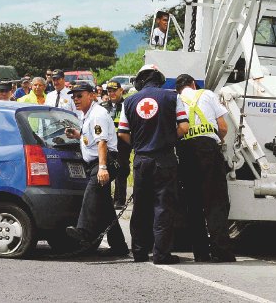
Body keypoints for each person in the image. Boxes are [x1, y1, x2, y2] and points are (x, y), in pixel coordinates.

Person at [117, 64, 189, 265]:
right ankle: (161, 255)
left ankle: (139, 252)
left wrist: (140, 145)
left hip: (141, 160)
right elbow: (184, 126)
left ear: (141, 80)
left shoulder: (129, 101)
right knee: (163, 208)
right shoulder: (173, 97)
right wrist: (166, 140)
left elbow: (123, 132)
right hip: (164, 159)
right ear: (159, 79)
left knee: (140, 207)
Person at [174, 74, 235, 263]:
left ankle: (200, 253)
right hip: (208, 150)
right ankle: (221, 251)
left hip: (185, 152)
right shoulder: (207, 94)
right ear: (193, 84)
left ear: (179, 90)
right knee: (215, 201)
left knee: (193, 203)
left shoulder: (175, 100)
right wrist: (216, 141)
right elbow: (223, 128)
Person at [64, 82, 129, 256]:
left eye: (80, 95)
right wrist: (78, 135)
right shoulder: (88, 114)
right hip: (98, 161)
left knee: (91, 193)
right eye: (74, 96)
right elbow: (93, 139)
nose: (76, 99)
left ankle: (84, 231)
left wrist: (102, 168)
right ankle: (119, 246)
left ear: (92, 95)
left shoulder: (97, 115)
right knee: (107, 208)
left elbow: (102, 142)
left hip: (104, 161)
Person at [101, 80, 132, 210]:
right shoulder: (102, 106)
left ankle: (120, 200)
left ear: (121, 91)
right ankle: (105, 200)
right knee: (104, 171)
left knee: (121, 171)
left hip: (122, 144)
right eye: (109, 91)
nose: (112, 93)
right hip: (106, 144)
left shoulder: (127, 105)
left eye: (114, 90)